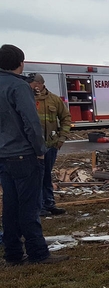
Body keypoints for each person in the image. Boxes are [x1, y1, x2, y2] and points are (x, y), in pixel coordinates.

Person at [0, 44, 68, 265]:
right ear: (21, 63)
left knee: (10, 206)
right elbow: (31, 122)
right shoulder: (19, 87)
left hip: (4, 157)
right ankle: (38, 253)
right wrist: (40, 151)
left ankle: (12, 254)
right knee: (29, 207)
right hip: (24, 156)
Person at [28, 73, 71, 216]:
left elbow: (66, 118)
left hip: (50, 146)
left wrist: (61, 138)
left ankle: (49, 204)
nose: (31, 86)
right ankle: (38, 206)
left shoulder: (54, 100)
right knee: (35, 177)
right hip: (32, 147)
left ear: (40, 84)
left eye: (33, 84)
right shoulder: (26, 99)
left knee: (46, 175)